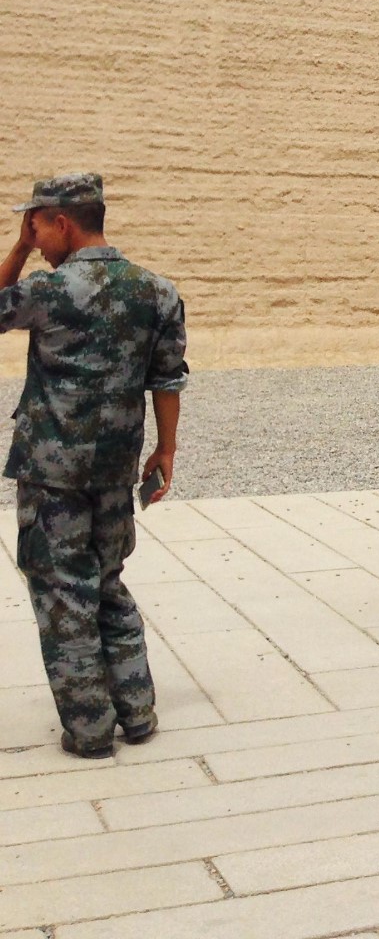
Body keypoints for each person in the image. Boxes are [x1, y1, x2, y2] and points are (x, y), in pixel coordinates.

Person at [0, 173, 184, 758]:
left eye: (37, 227)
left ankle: (88, 729)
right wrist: (166, 449)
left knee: (61, 593)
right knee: (107, 583)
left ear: (61, 222)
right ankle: (136, 710)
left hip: (53, 473)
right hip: (115, 467)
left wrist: (19, 250)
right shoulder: (156, 290)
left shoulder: (51, 290)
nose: (36, 239)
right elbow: (168, 377)